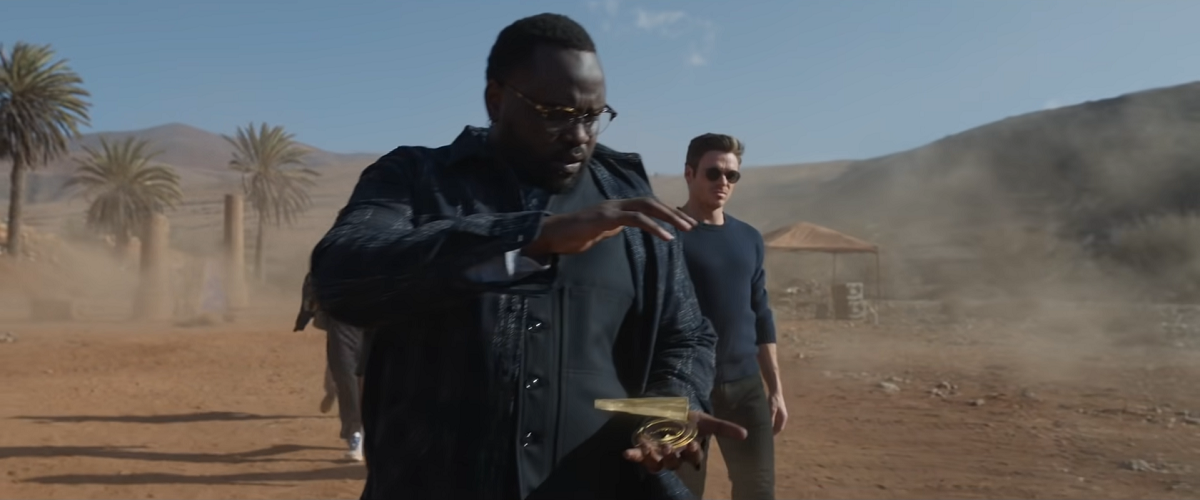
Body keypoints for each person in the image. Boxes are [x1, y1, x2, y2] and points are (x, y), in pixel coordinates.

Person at [309, 13, 747, 500]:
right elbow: (341, 274)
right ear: (496, 100)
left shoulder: (629, 203)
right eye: (556, 113)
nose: (580, 135)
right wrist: (529, 237)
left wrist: (669, 406)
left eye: (593, 116)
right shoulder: (415, 180)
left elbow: (685, 334)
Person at [673, 134, 786, 500]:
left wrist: (775, 389)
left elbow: (761, 314)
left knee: (758, 490)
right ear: (689, 174)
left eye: (731, 175)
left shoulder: (749, 238)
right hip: (685, 390)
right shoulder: (664, 236)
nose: (723, 181)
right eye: (713, 173)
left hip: (745, 388)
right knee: (680, 492)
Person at [295, 273, 366, 462]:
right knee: (346, 378)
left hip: (379, 324)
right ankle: (355, 433)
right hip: (342, 323)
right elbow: (315, 279)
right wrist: (306, 313)